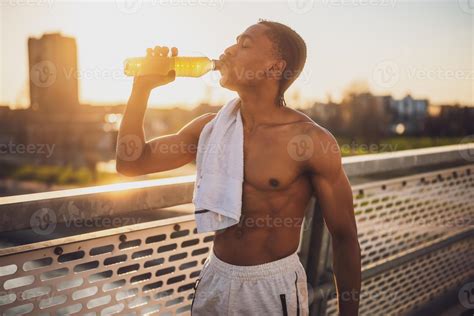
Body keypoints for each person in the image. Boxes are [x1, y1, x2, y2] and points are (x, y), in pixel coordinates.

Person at [116, 19, 361, 316]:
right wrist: (141, 88)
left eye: (244, 44)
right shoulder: (210, 129)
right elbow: (131, 162)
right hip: (214, 278)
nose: (229, 50)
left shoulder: (310, 141)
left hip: (272, 288)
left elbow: (345, 238)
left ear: (274, 67)